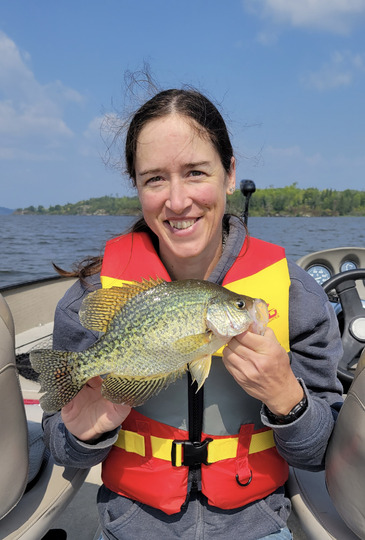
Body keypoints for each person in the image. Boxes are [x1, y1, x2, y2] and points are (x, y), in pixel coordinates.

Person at [43, 88, 343, 540]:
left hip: (258, 524)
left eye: (195, 172)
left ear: (229, 173)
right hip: (131, 524)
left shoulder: (296, 294)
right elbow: (61, 449)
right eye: (155, 179)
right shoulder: (92, 296)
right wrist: (86, 433)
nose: (178, 201)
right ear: (137, 187)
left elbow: (322, 452)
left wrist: (287, 398)